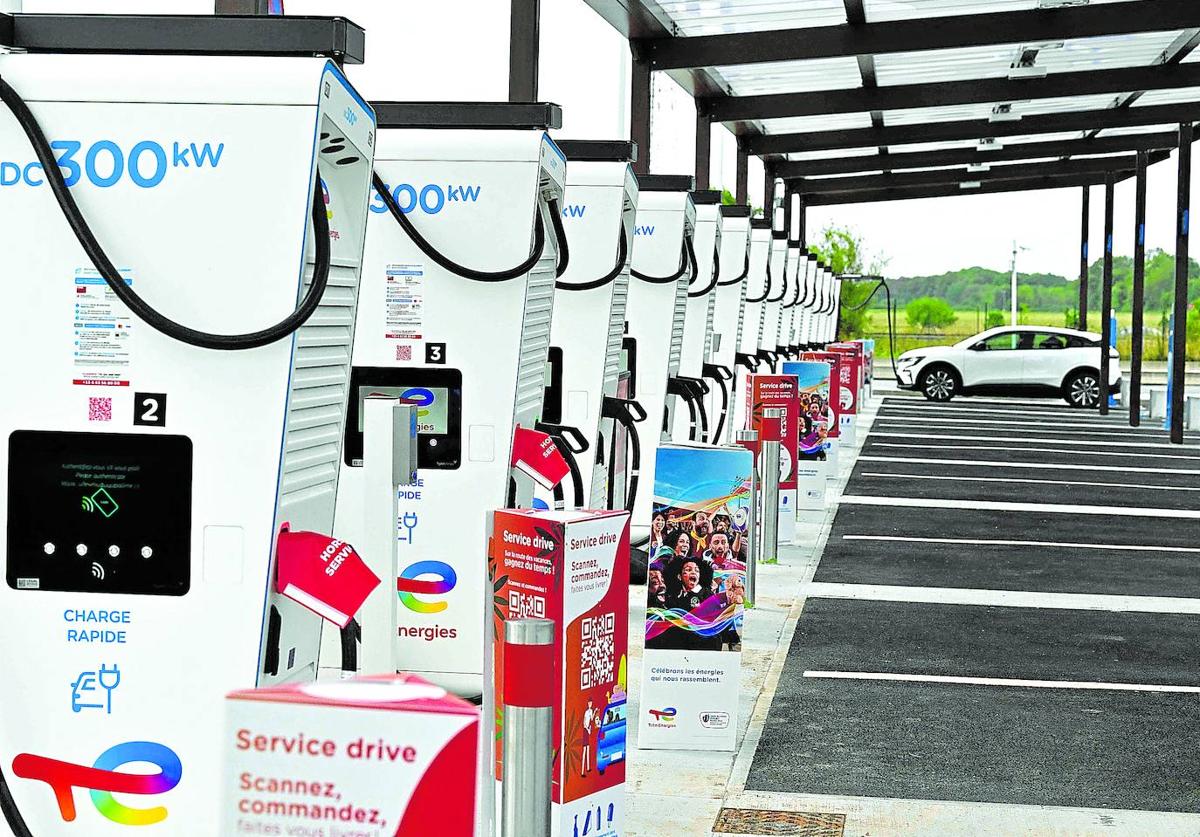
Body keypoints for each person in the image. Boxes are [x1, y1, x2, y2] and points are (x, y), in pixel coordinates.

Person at [581, 696, 595, 776]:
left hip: (588, 729)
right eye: (589, 703)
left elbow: (592, 719)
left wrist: (595, 711)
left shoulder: (590, 711)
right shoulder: (586, 712)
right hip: (585, 730)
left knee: (588, 748)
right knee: (584, 750)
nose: (590, 704)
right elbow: (584, 722)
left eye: (591, 703)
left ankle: (588, 767)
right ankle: (582, 771)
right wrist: (587, 729)